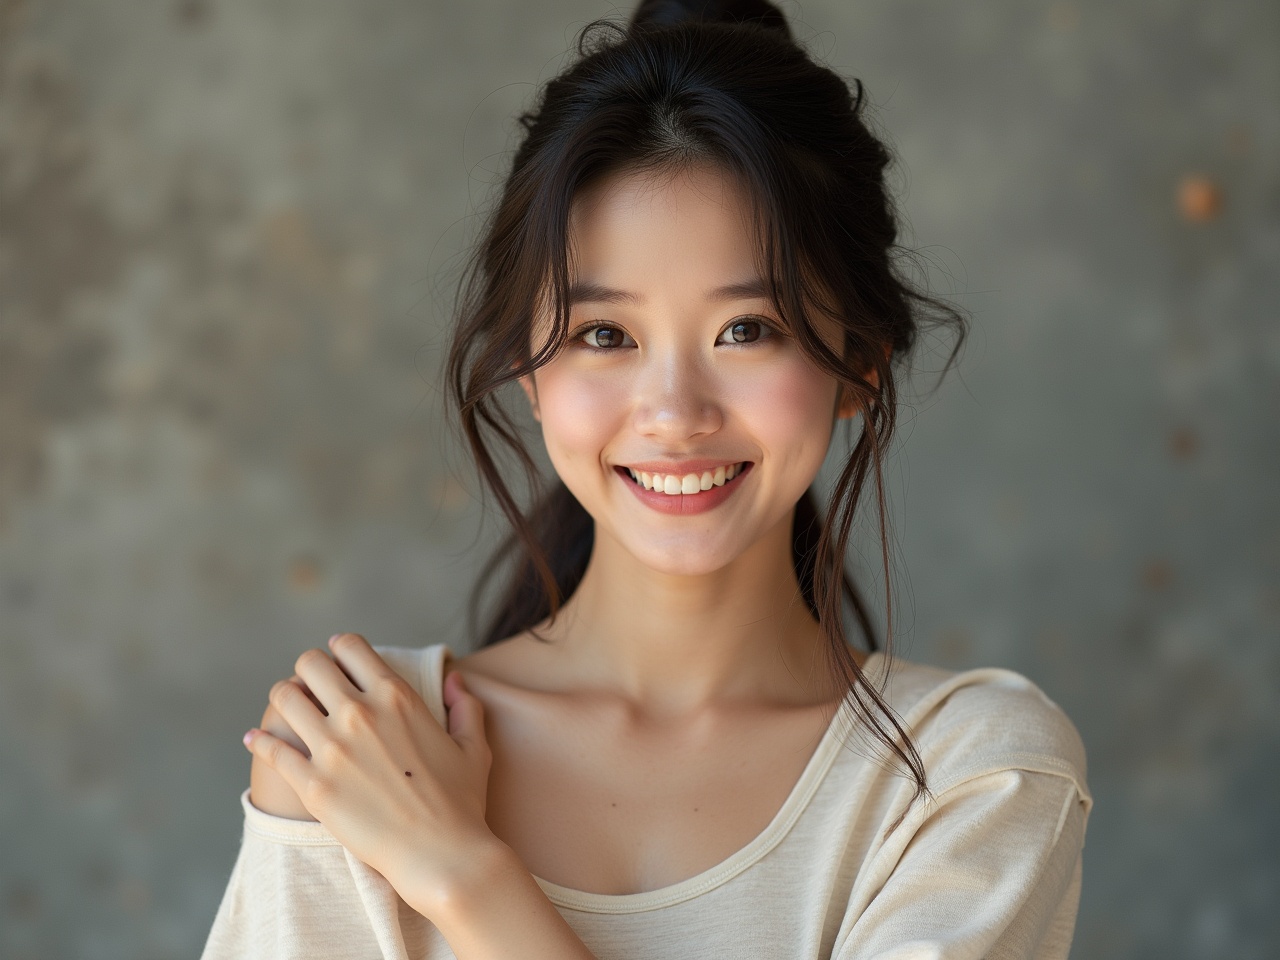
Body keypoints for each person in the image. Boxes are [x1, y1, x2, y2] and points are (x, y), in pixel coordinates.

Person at [200, 2, 1091, 958]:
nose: (674, 412)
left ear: (859, 365)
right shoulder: (359, 752)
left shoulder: (970, 777)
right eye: (604, 335)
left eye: (748, 329)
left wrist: (464, 876)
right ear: (527, 373)